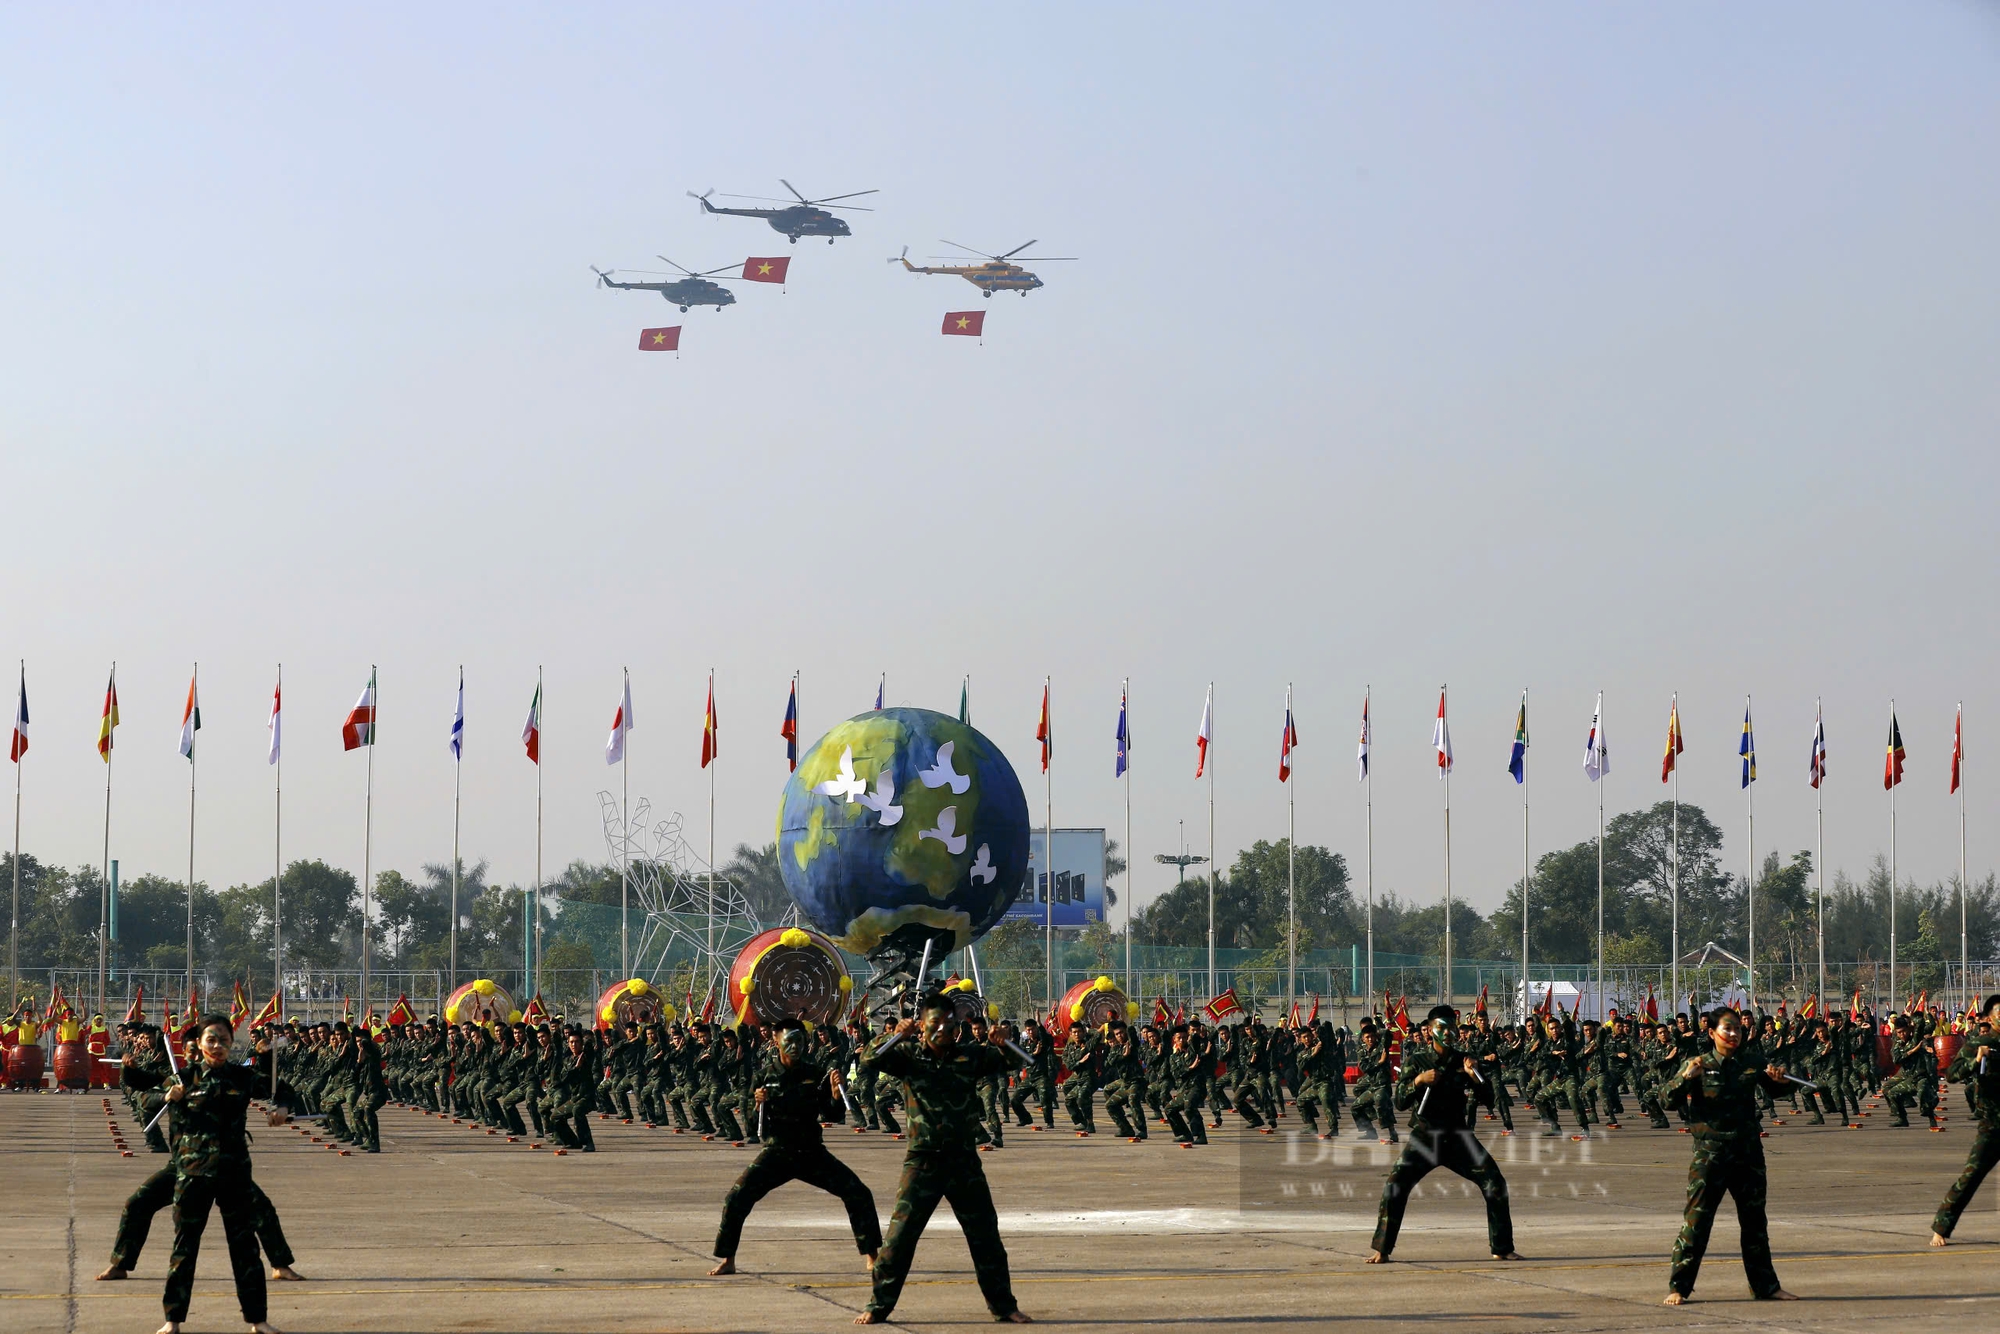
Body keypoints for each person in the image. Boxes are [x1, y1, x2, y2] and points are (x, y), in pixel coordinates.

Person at [855, 989, 1031, 1324]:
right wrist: (893, 1035)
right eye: (934, 1024)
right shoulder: (907, 1054)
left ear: (957, 1027)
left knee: (985, 1236)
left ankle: (1004, 1306)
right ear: (921, 1026)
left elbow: (1017, 1061)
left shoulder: (969, 1055)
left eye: (949, 1025)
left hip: (963, 1159)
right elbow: (868, 1059)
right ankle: (878, 1305)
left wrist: (1002, 1041)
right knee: (899, 1238)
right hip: (922, 1160)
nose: (942, 1032)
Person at [708, 1022, 880, 1276]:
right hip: (777, 1152)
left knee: (859, 1193)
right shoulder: (764, 1076)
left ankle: (872, 1255)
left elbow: (832, 1113)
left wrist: (834, 1094)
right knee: (736, 1198)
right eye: (789, 1041)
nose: (794, 1047)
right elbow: (753, 1126)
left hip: (811, 1151)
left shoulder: (816, 1072)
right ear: (777, 1042)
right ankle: (728, 1259)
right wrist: (757, 1106)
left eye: (799, 1041)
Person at [1659, 1006, 1798, 1305]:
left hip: (1747, 1153)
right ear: (1711, 1033)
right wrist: (1685, 1077)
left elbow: (1776, 1089)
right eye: (1727, 1028)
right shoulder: (1698, 1063)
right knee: (1696, 1223)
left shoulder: (1751, 1062)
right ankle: (1679, 1287)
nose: (1734, 1034)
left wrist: (1780, 1079)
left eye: (1738, 1028)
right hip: (1710, 1155)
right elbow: (1665, 1099)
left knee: (1754, 1223)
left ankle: (1766, 1287)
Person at [155, 1014, 284, 1334]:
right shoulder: (182, 1078)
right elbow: (148, 1100)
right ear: (199, 1045)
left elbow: (278, 1087)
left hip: (234, 1174)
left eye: (224, 1040)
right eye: (211, 1039)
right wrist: (165, 1096)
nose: (218, 1045)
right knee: (184, 1249)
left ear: (231, 1043)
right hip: (192, 1174)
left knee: (245, 1249)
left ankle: (258, 1320)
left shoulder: (241, 1078)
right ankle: (172, 1320)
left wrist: (280, 1106)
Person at [1367, 1005, 1520, 1264]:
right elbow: (1400, 1102)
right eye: (1442, 1027)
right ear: (1431, 1030)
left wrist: (1475, 1076)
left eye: (1451, 1027)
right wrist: (1418, 1081)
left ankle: (1502, 1246)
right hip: (1425, 1137)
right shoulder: (1417, 1061)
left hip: (1458, 1136)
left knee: (1495, 1183)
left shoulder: (1465, 1060)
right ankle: (1382, 1248)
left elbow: (1489, 1099)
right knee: (1395, 1186)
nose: (1448, 1033)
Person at [1931, 994, 2000, 1246]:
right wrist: (1976, 1059)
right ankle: (1941, 1227)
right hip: (1992, 1123)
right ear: (1988, 1018)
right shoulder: (1978, 1043)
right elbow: (1951, 1074)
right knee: (1971, 1176)